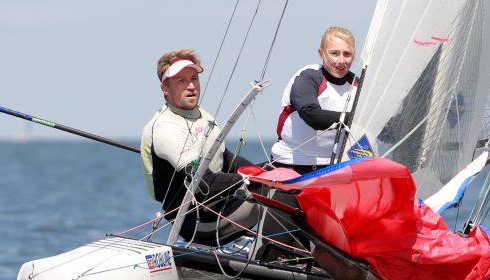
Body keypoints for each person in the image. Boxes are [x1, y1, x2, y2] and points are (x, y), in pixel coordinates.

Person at [141, 49, 256, 245]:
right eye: (181, 81)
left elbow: (224, 158)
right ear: (165, 88)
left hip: (219, 205)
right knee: (275, 193)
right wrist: (252, 181)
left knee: (286, 178)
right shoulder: (164, 128)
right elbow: (203, 183)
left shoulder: (203, 115)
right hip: (196, 222)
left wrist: (263, 172)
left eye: (194, 78)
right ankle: (277, 257)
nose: (192, 86)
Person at [271, 26, 359, 173]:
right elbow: (312, 116)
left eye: (347, 54)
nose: (341, 60)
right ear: (321, 53)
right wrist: (356, 118)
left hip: (336, 166)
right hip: (292, 164)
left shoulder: (358, 84)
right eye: (334, 53)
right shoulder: (308, 77)